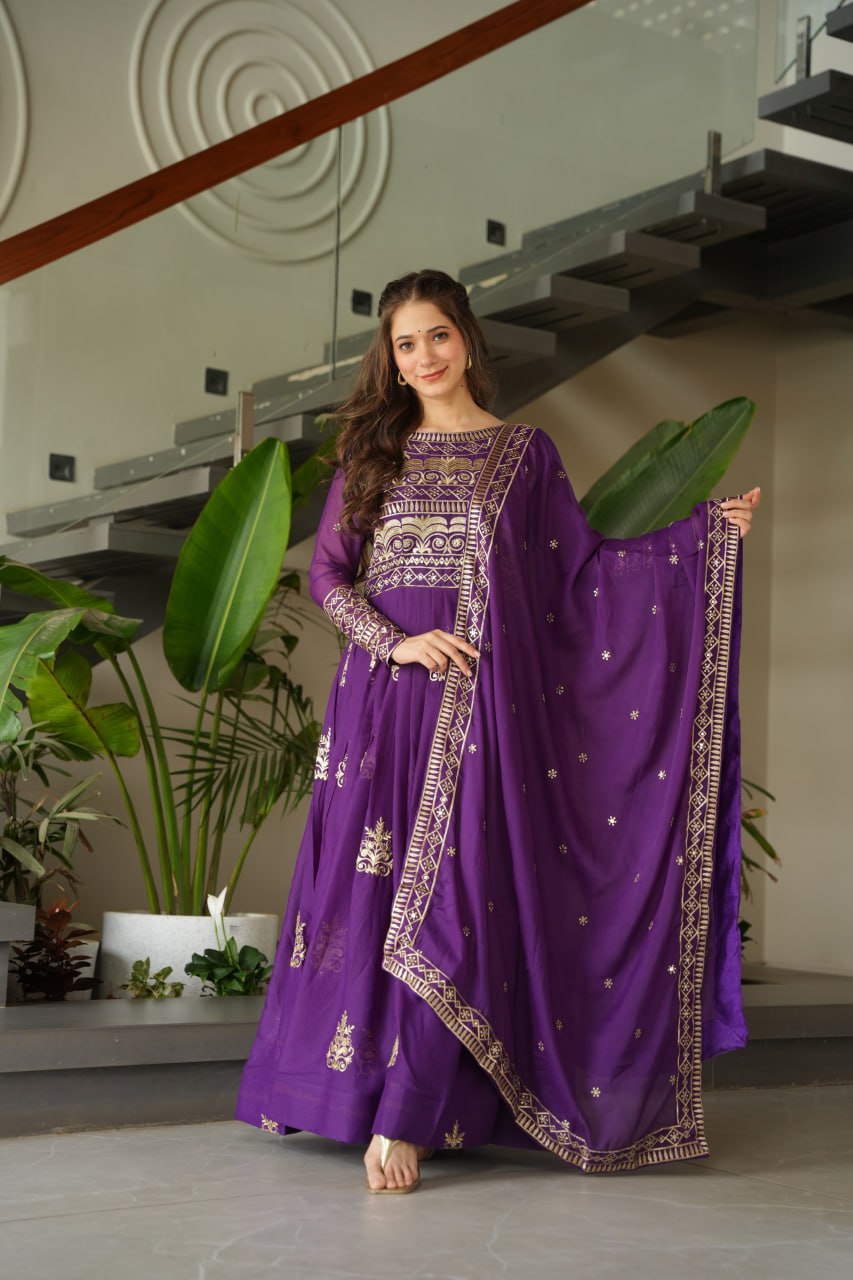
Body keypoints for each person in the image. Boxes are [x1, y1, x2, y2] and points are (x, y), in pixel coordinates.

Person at [235, 268, 761, 1193]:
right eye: (406, 344)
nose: (425, 356)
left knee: (456, 902)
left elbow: (584, 578)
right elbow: (327, 578)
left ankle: (412, 1116)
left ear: (467, 342)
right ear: (391, 363)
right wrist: (394, 644)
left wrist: (700, 540)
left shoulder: (525, 456)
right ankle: (354, 1098)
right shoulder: (373, 456)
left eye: (438, 336)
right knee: (371, 898)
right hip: (383, 707)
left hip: (480, 713)